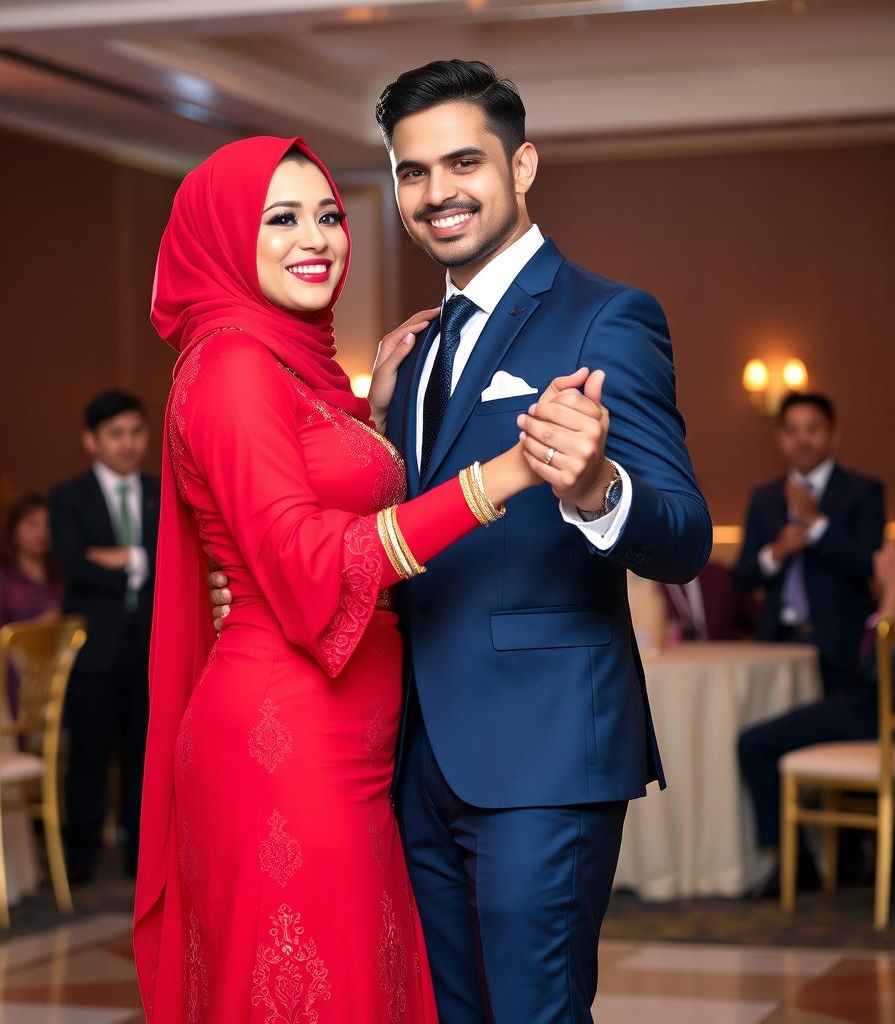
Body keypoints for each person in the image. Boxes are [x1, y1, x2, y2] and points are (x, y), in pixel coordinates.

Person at [211, 61, 712, 1023]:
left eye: (463, 163)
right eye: (411, 172)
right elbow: (372, 530)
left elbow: (684, 536)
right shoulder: (420, 346)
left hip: (543, 749)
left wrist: (601, 487)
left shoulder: (607, 315)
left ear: (522, 166)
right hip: (407, 753)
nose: (438, 193)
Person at [134, 136, 557, 1023]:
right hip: (281, 745)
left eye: (326, 214)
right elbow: (309, 562)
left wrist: (367, 413)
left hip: (347, 742)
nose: (316, 236)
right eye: (280, 219)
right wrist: (498, 480)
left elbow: (306, 500)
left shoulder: (290, 368)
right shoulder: (232, 366)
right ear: (223, 240)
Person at [738, 540, 895, 896]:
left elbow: (879, 676)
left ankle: (799, 863)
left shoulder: (889, 612)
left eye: (887, 553)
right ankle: (802, 860)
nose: (877, 555)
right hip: (861, 704)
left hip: (872, 712)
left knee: (754, 743)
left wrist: (889, 599)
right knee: (758, 740)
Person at [49, 391, 158, 884]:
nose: (128, 444)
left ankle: (142, 856)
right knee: (89, 755)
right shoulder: (68, 497)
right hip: (92, 650)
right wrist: (141, 561)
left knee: (144, 757)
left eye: (136, 432)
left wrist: (119, 558)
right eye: (116, 434)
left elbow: (176, 565)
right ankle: (83, 855)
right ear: (91, 441)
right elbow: (73, 565)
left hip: (149, 646)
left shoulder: (162, 493)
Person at [733, 392, 885, 693]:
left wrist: (817, 525)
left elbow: (869, 565)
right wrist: (775, 554)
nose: (802, 439)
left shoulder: (864, 491)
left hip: (841, 647)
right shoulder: (765, 497)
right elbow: (740, 579)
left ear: (833, 434)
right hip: (778, 641)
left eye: (812, 429)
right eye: (792, 430)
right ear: (779, 437)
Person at [0, 494, 62, 639]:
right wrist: (38, 625)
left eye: (48, 524)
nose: (42, 532)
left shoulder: (61, 574)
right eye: (32, 524)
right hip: (16, 657)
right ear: (13, 530)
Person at [658, 561, 759, 642]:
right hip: (673, 664)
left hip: (720, 662)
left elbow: (758, 619)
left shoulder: (720, 576)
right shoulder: (650, 585)